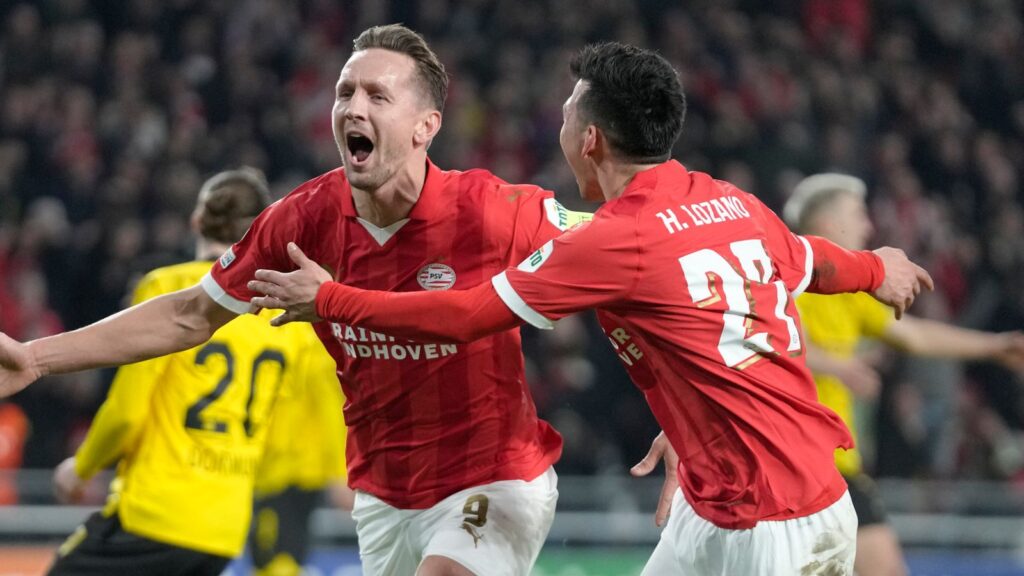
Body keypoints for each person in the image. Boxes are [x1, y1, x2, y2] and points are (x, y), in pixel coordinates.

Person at [246, 42, 933, 575]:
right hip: (720, 499)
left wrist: (329, 300)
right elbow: (811, 260)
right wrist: (881, 270)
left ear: (591, 140)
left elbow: (464, 316)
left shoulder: (615, 239)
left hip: (773, 518)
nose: (562, 122)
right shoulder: (731, 201)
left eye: (570, 111)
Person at [0, 24, 590, 576]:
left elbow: (629, 251)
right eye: (345, 92)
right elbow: (189, 315)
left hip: (493, 479)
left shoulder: (491, 210)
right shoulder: (304, 219)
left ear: (425, 126)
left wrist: (682, 414)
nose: (353, 108)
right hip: (383, 496)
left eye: (378, 97)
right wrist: (36, 358)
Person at [46, 168, 343, 576]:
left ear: (196, 221)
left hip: (155, 511)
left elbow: (127, 412)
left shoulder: (169, 288)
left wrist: (80, 469)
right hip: (224, 528)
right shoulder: (285, 319)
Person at [782, 172, 1024, 576]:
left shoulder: (847, 292)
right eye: (858, 214)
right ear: (826, 225)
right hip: (804, 462)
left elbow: (914, 337)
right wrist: (835, 364)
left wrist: (995, 346)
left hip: (832, 465)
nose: (869, 225)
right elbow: (766, 341)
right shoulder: (787, 279)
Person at [250, 346, 350, 576]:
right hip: (266, 468)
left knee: (277, 559)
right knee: (268, 556)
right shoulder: (300, 340)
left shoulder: (310, 345)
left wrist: (339, 472)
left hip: (291, 471)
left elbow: (332, 411)